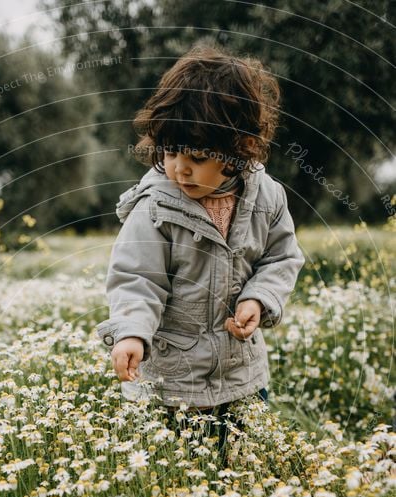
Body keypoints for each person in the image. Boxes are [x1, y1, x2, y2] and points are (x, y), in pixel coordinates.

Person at [96, 41, 305, 453]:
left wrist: (259, 299)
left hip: (242, 377)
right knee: (175, 476)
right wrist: (132, 334)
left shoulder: (267, 197)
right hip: (172, 384)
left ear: (237, 149)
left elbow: (282, 257)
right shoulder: (155, 208)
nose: (180, 167)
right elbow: (137, 278)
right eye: (171, 151)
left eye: (195, 155)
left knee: (243, 470)